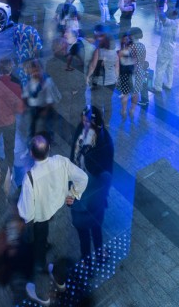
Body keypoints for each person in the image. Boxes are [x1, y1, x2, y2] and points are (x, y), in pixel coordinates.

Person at [17, 135, 88, 299]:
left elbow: (26, 212)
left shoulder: (30, 178)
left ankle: (43, 295)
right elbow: (83, 177)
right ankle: (60, 281)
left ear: (32, 154)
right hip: (62, 213)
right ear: (49, 149)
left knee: (40, 257)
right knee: (61, 249)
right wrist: (73, 194)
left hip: (42, 223)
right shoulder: (61, 161)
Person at [69, 106, 114, 262]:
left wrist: (103, 193)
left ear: (96, 122)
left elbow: (107, 170)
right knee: (83, 231)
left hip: (95, 192)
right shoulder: (80, 130)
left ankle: (98, 255)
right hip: (79, 189)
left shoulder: (104, 140)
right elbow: (72, 156)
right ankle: (87, 260)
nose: (85, 124)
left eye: (88, 121)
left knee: (95, 227)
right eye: (83, 120)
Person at [22, 60, 61, 140]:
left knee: (48, 123)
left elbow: (50, 99)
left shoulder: (47, 81)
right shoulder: (29, 79)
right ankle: (31, 136)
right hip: (33, 107)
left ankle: (50, 137)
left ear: (41, 70)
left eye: (37, 71)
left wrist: (46, 110)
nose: (35, 73)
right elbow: (26, 92)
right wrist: (25, 105)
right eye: (33, 71)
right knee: (32, 122)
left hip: (44, 107)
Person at [86, 28, 119, 116]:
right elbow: (117, 68)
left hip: (100, 81)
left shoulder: (99, 51)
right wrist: (116, 79)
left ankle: (97, 120)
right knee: (108, 102)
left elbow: (93, 66)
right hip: (111, 81)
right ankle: (107, 122)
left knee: (97, 102)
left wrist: (88, 76)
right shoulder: (115, 53)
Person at [151, 9, 179, 92]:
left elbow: (163, 18)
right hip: (171, 49)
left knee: (160, 68)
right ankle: (169, 84)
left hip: (165, 50)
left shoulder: (171, 23)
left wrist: (160, 10)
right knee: (169, 68)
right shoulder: (178, 22)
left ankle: (157, 87)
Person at [13, 18, 43, 87]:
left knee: (21, 71)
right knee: (28, 73)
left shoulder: (16, 27)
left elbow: (14, 42)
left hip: (19, 55)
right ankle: (26, 88)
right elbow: (38, 47)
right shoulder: (33, 31)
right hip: (28, 58)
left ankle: (21, 86)